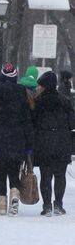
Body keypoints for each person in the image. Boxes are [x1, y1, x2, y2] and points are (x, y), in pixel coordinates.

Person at [0, 62, 33, 216]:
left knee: (1, 173)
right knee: (13, 171)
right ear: (15, 77)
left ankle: (2, 204)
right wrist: (29, 144)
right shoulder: (23, 93)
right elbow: (27, 121)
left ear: (2, 77)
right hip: (17, 138)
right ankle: (15, 195)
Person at [32, 71, 74, 216]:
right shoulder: (65, 101)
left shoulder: (37, 102)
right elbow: (72, 123)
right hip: (62, 141)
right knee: (60, 175)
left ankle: (47, 206)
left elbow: (33, 122)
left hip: (44, 142)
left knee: (46, 175)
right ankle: (58, 205)